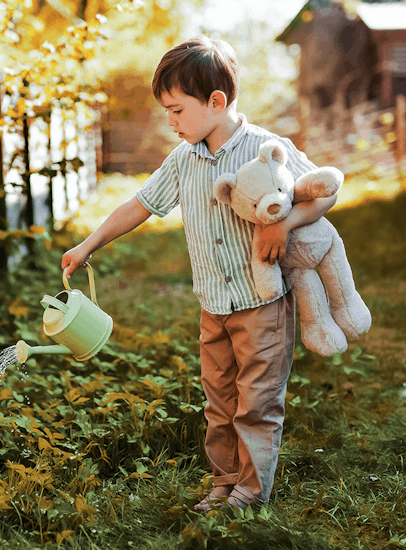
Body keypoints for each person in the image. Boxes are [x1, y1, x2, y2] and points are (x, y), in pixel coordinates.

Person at [62, 36, 337, 511]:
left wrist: (286, 224)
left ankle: (250, 492)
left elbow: (325, 191)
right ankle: (223, 482)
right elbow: (139, 205)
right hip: (214, 306)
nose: (169, 121)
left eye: (176, 110)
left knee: (257, 401)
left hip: (263, 303)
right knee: (219, 401)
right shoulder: (182, 161)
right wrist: (88, 245)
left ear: (216, 102)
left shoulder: (265, 148)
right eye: (165, 111)